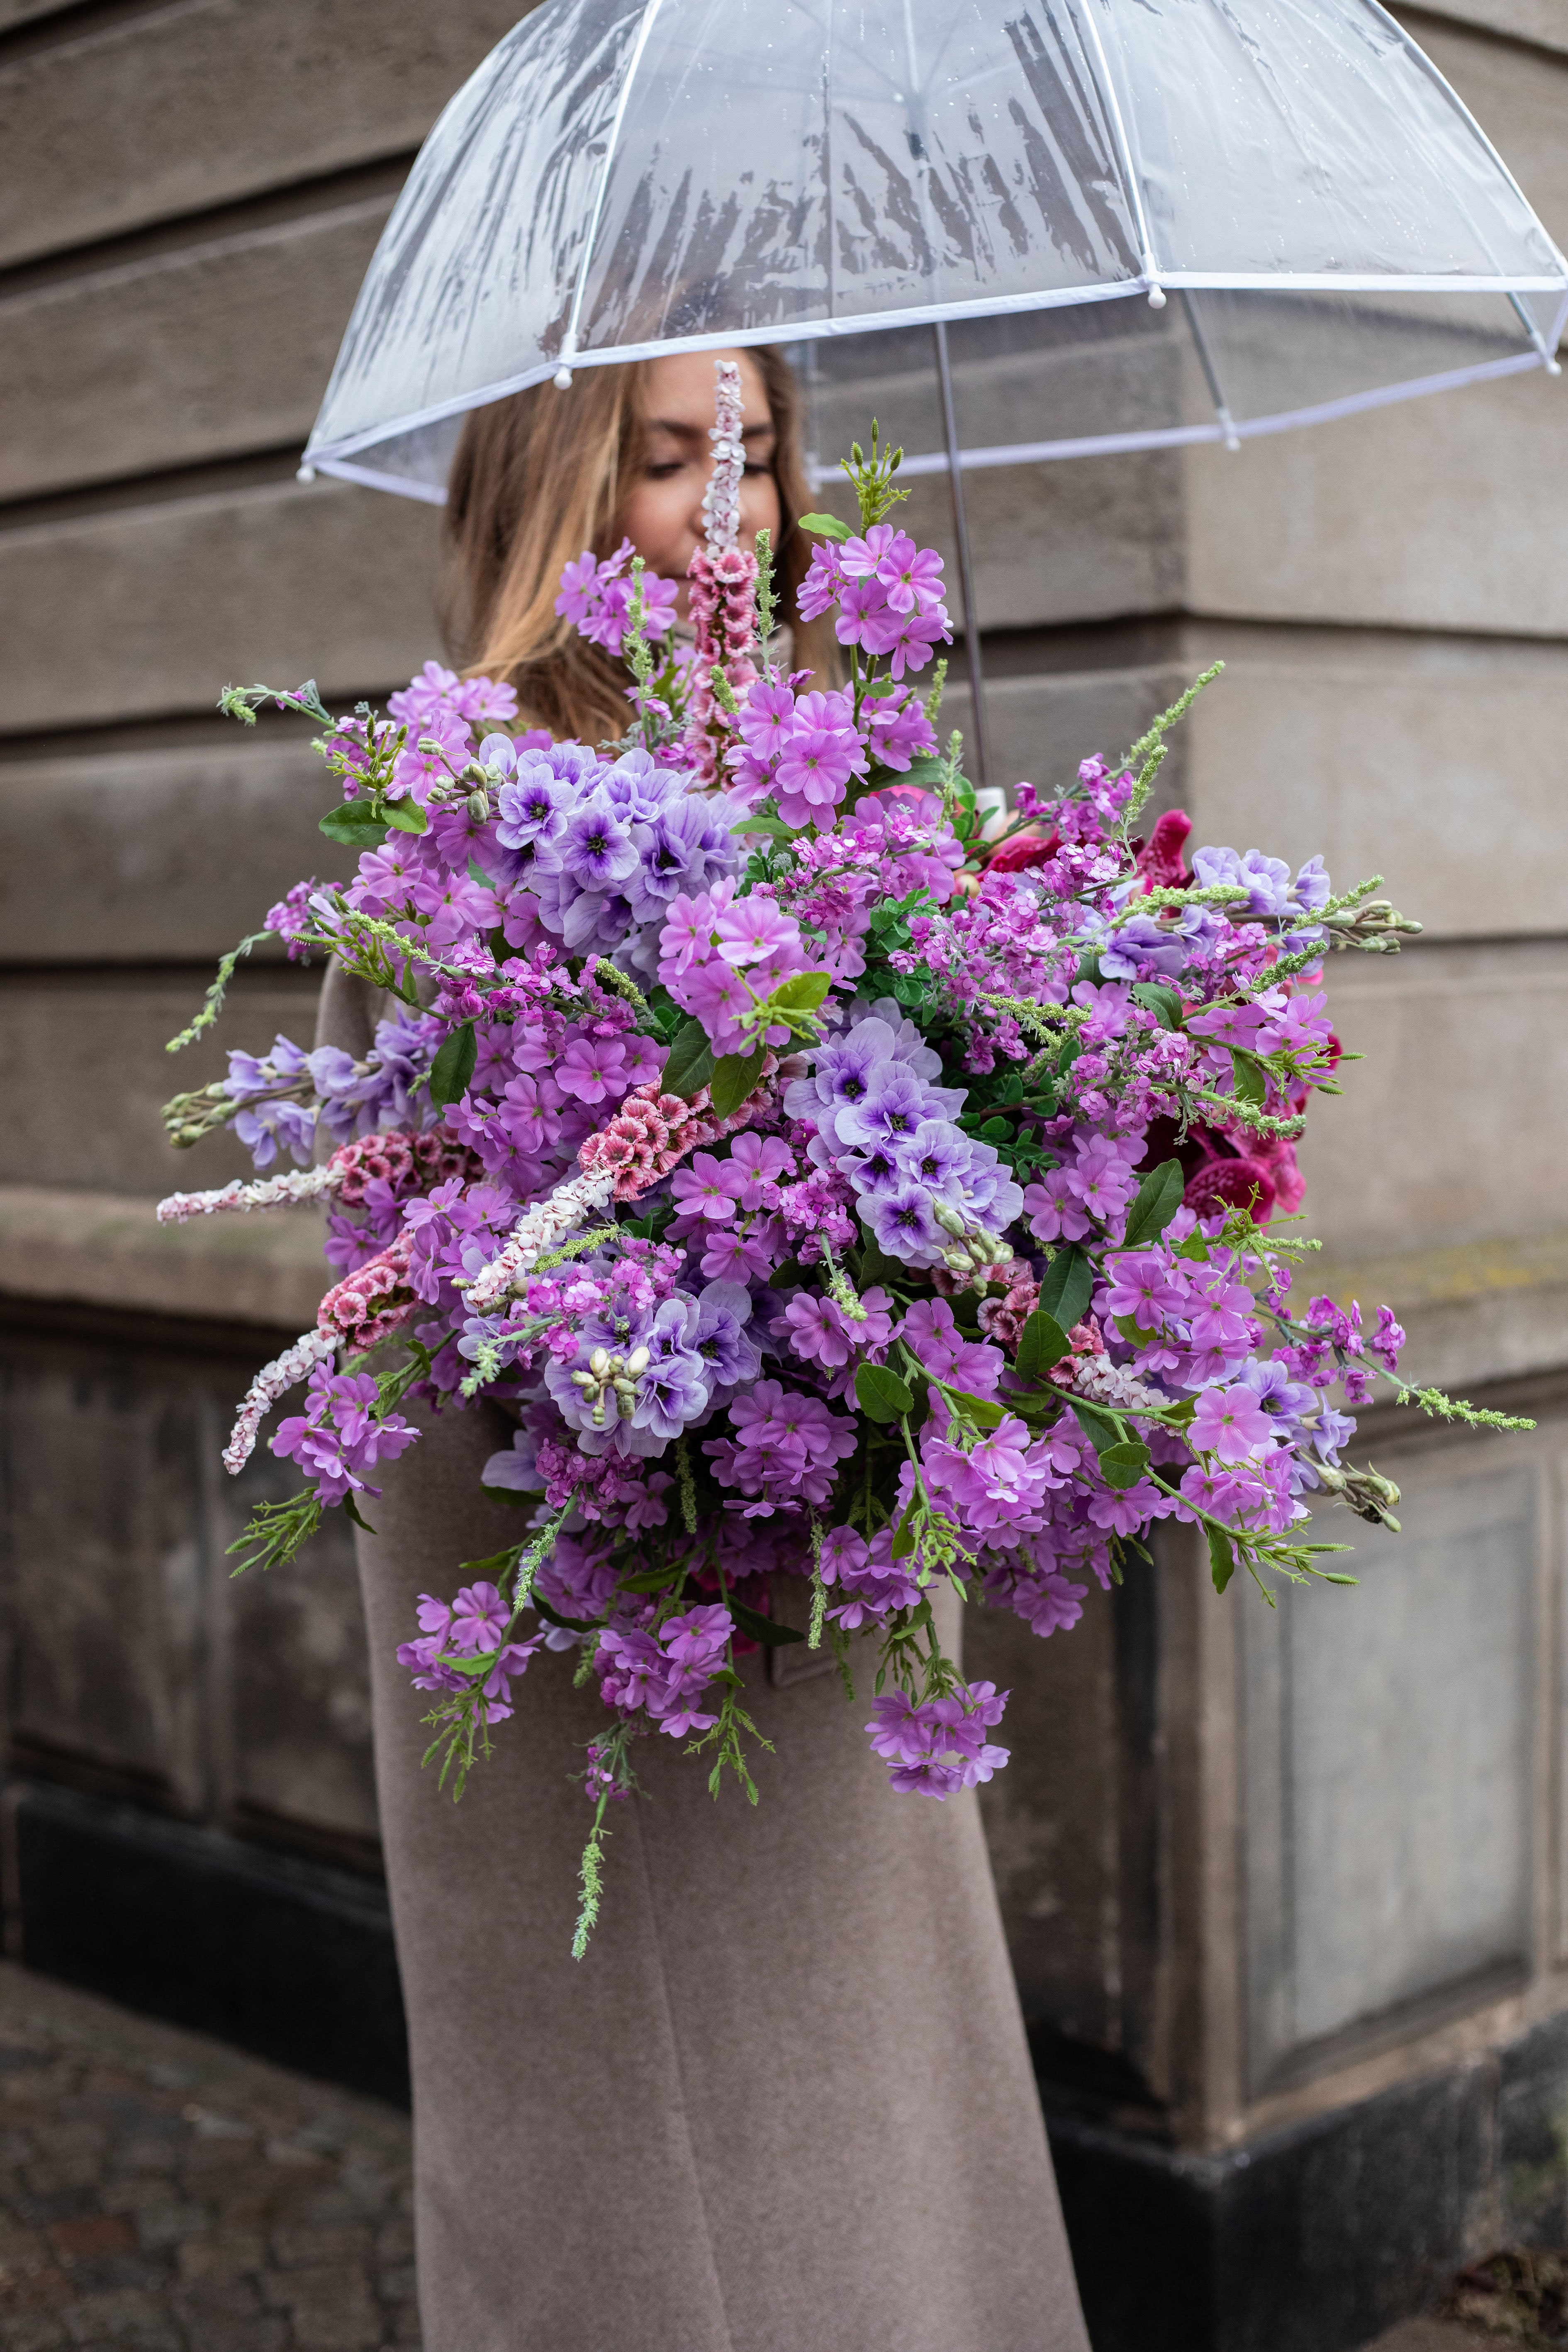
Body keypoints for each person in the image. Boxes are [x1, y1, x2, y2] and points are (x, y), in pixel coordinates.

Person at [317, 346, 1093, 2352]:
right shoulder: (452, 835)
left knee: (875, 2120)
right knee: (657, 2174)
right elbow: (413, 1297)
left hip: (819, 1591)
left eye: (755, 459)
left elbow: (949, 1177)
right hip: (600, 1608)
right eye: (671, 459)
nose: (729, 506)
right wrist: (649, 1318)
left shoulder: (837, 790)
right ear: (559, 494)